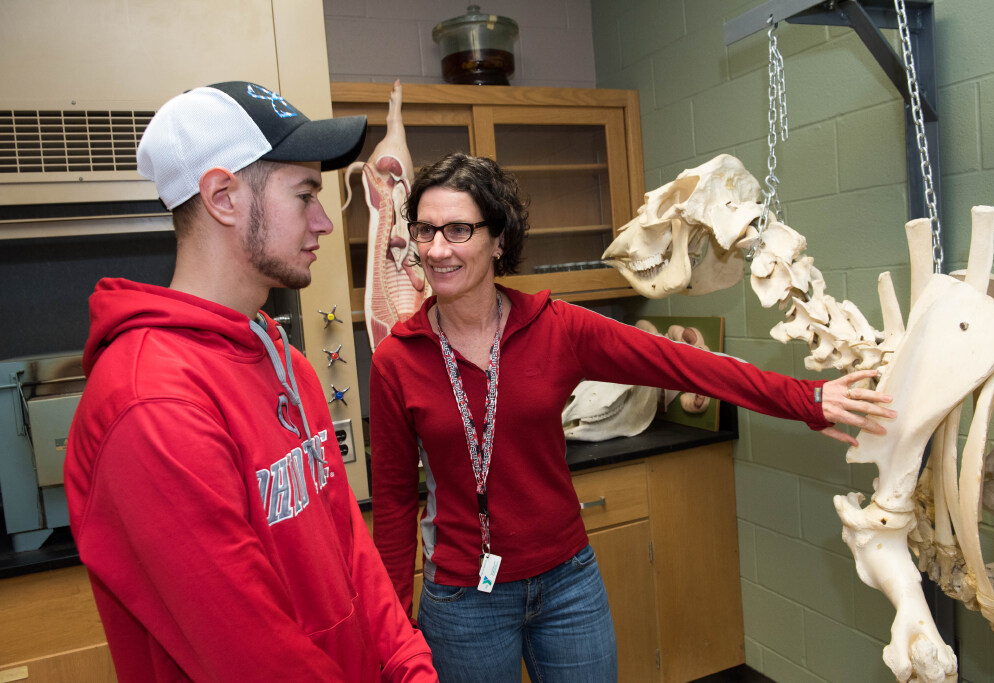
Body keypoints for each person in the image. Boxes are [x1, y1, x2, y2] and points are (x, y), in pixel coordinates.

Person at [368, 152, 896, 682]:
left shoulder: (555, 328)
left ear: (498, 238)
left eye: (459, 229)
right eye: (425, 230)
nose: (437, 249)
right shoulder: (397, 360)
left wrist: (803, 400)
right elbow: (392, 504)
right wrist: (392, 637)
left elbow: (683, 363)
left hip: (566, 587)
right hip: (463, 601)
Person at [64, 82, 437, 682]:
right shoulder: (151, 404)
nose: (323, 222)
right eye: (305, 194)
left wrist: (408, 664)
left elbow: (349, 547)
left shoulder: (287, 364)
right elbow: (253, 658)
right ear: (223, 197)